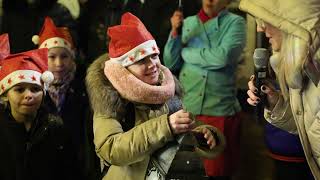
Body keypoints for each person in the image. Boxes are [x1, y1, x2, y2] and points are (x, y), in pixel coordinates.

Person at [85, 12, 226, 180]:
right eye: (141, 61)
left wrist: (203, 135)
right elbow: (110, 149)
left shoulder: (166, 89)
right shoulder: (110, 98)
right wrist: (165, 126)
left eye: (154, 56)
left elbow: (182, 129)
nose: (152, 65)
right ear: (123, 69)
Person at [163, 0, 246, 179]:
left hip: (219, 110)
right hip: (189, 108)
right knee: (186, 168)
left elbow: (222, 58)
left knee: (217, 171)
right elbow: (170, 63)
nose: (210, 0)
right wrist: (175, 32)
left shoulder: (235, 23)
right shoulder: (189, 22)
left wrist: (187, 53)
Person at [240, 0, 320, 179]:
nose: (261, 28)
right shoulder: (304, 68)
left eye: (268, 19)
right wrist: (276, 102)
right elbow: (311, 125)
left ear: (295, 22)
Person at [32, 16, 100, 180]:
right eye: (52, 57)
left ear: (73, 58)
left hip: (80, 167)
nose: (58, 63)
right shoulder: (33, 90)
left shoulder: (86, 88)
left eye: (64, 56)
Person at [0, 37, 78, 180]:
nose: (29, 95)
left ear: (44, 93)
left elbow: (69, 171)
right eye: (19, 90)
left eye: (35, 89)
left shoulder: (56, 128)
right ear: (5, 95)